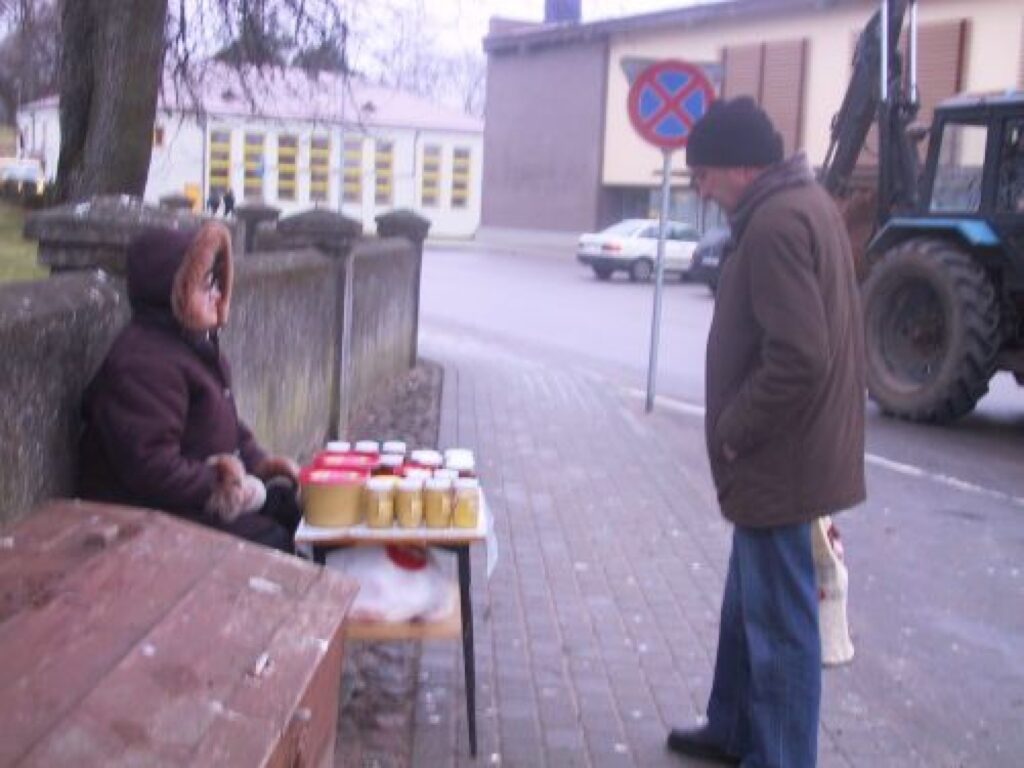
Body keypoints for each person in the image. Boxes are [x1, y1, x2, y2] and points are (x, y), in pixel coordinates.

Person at [666, 97, 866, 767]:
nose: (701, 190)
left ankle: (778, 756)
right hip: (791, 456)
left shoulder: (777, 224)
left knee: (780, 630)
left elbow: (800, 356)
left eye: (704, 175)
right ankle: (732, 726)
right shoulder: (802, 206)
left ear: (741, 167)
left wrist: (733, 428)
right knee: (744, 606)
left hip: (779, 460)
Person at [78, 222, 302, 553]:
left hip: (197, 499)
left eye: (216, 282)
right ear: (174, 291)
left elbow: (225, 422)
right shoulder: (143, 362)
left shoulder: (192, 346)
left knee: (294, 510)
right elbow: (151, 467)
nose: (216, 294)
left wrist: (261, 464)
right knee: (273, 541)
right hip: (155, 515)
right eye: (205, 285)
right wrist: (221, 485)